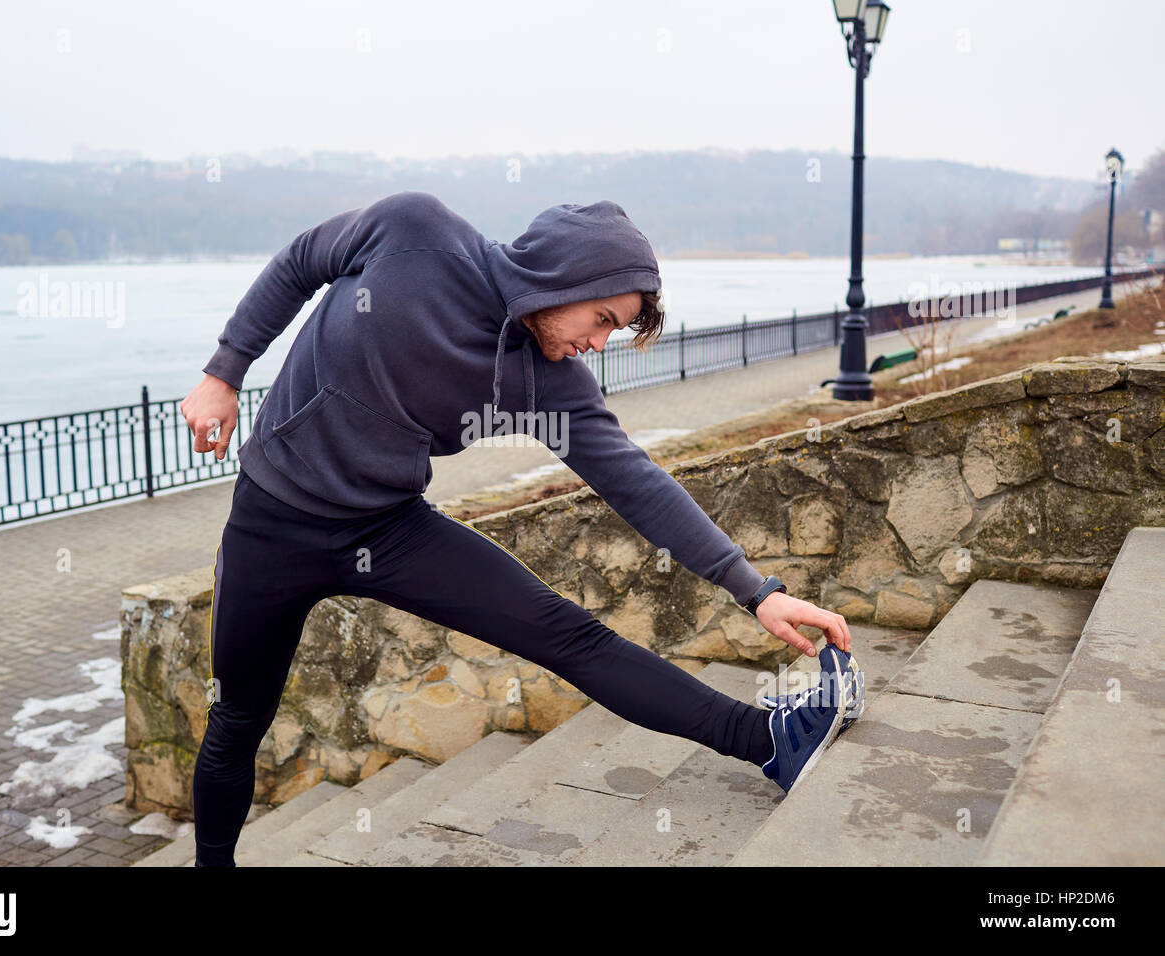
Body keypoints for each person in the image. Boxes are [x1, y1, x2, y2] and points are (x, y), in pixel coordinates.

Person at [178, 190, 861, 866]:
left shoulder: (548, 377)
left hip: (386, 529)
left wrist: (756, 590)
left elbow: (634, 480)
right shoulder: (412, 231)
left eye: (612, 332)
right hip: (271, 521)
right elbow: (302, 262)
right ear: (564, 275)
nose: (596, 344)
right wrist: (223, 372)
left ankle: (771, 742)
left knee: (569, 632)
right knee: (238, 718)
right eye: (600, 319)